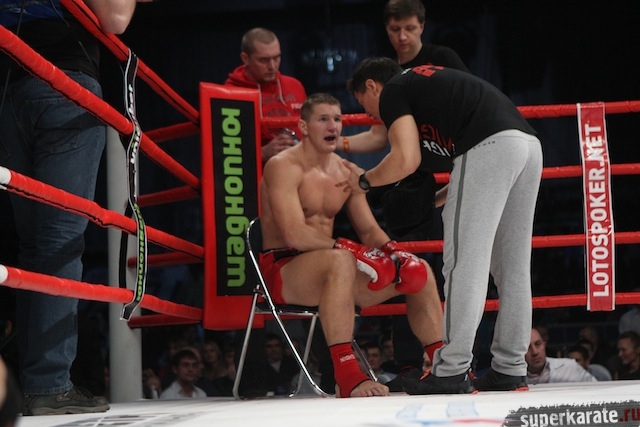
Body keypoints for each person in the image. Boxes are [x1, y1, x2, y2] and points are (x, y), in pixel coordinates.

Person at [339, 57, 543, 394]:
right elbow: (472, 172)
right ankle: (510, 368)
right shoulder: (426, 90)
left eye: (365, 105)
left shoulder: (394, 90)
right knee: (513, 268)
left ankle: (451, 370)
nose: (373, 116)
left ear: (372, 86)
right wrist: (431, 201)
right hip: (527, 146)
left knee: (464, 263)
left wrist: (363, 181)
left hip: (490, 146)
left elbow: (405, 160)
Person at [0, 0, 136, 416]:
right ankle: (49, 383)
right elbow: (116, 19)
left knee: (33, 246)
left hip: (9, 89)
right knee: (58, 240)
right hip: (64, 85)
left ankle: (31, 384)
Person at [260, 92, 443, 398]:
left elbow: (369, 229)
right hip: (284, 270)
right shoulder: (283, 166)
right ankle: (347, 376)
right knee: (341, 259)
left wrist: (394, 252)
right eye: (323, 119)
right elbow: (294, 233)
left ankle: (444, 367)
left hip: (334, 273)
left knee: (418, 268)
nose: (332, 126)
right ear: (303, 127)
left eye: (337, 119)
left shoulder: (346, 171)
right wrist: (354, 251)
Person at [224, 27, 307, 163]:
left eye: (277, 57)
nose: (272, 66)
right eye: (264, 60)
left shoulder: (294, 86)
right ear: (245, 59)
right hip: (256, 172)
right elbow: (224, 151)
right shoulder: (231, 93)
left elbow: (309, 132)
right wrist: (262, 153)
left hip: (299, 167)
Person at [526, 328, 597, 384]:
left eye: (538, 344)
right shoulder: (518, 378)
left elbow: (597, 388)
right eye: (528, 347)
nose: (535, 352)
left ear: (544, 345)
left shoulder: (569, 366)